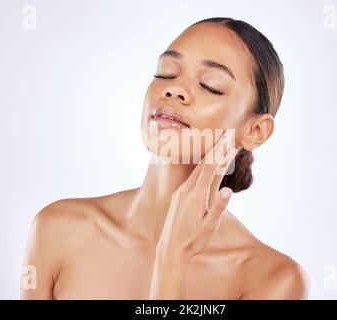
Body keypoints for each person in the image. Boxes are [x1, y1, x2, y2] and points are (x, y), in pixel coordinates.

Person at [21, 17, 309, 300]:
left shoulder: (274, 280)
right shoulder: (57, 229)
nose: (174, 90)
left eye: (210, 85)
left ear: (256, 131)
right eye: (166, 73)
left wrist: (173, 257)